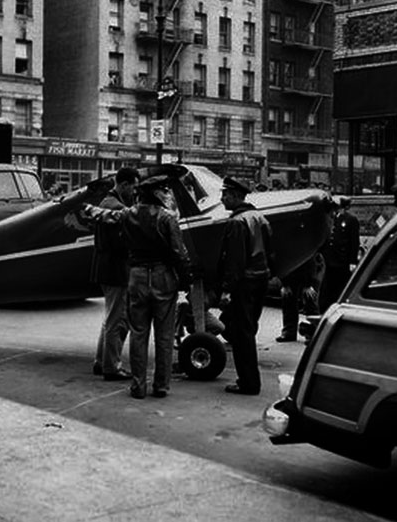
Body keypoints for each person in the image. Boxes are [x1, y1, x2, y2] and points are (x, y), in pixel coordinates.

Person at [86, 175, 191, 399]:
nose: (166, 194)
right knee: (164, 336)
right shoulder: (167, 218)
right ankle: (161, 386)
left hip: (136, 276)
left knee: (138, 334)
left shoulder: (128, 214)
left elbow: (103, 215)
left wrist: (87, 208)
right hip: (163, 278)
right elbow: (179, 253)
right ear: (155, 193)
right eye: (163, 190)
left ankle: (138, 386)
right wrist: (185, 279)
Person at [216, 176, 273, 396]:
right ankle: (249, 380)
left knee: (242, 334)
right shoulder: (259, 217)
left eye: (225, 195)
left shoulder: (236, 222)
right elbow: (271, 252)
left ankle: (248, 383)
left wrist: (227, 290)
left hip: (244, 283)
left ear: (235, 196)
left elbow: (234, 262)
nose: (222, 199)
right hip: (260, 280)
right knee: (248, 329)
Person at [90, 166, 139, 381]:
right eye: (133, 186)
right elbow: (123, 243)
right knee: (116, 319)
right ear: (125, 184)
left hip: (107, 267)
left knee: (110, 317)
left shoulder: (107, 202)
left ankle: (102, 361)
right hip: (116, 268)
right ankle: (111, 366)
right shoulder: (116, 207)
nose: (135, 191)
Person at [318, 195, 360, 313]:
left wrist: (352, 261)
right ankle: (324, 309)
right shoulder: (331, 218)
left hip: (342, 260)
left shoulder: (351, 220)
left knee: (340, 287)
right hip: (329, 258)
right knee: (326, 288)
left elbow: (354, 241)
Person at [276, 253, 323, 342]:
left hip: (313, 267)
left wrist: (310, 284)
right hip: (293, 270)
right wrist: (285, 284)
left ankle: (314, 332)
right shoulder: (286, 247)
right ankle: (289, 332)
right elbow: (282, 264)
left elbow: (311, 262)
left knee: (310, 297)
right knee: (288, 296)